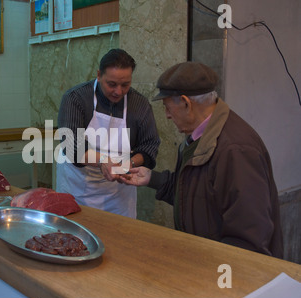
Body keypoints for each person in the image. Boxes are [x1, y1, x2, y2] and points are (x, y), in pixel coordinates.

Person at [119, 61, 283, 257]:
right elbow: (196, 195)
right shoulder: (198, 138)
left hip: (225, 274)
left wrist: (217, 279)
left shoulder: (235, 150)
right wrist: (151, 178)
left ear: (187, 103)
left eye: (168, 107)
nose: (167, 116)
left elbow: (248, 240)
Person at [56, 49, 160, 219]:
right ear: (99, 75)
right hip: (78, 188)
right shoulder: (75, 98)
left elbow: (150, 146)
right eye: (111, 84)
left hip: (119, 196)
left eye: (125, 84)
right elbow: (72, 145)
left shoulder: (139, 104)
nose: (118, 91)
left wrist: (128, 163)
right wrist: (103, 161)